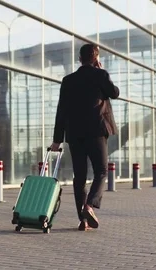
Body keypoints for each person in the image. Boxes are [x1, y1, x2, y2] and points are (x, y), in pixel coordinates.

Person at [50, 44, 120, 231]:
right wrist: (102, 70)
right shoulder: (101, 75)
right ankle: (89, 206)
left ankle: (83, 220)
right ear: (96, 58)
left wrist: (57, 140)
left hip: (75, 134)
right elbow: (114, 93)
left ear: (79, 59)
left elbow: (61, 111)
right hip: (96, 132)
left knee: (79, 176)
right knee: (101, 171)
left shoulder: (68, 80)